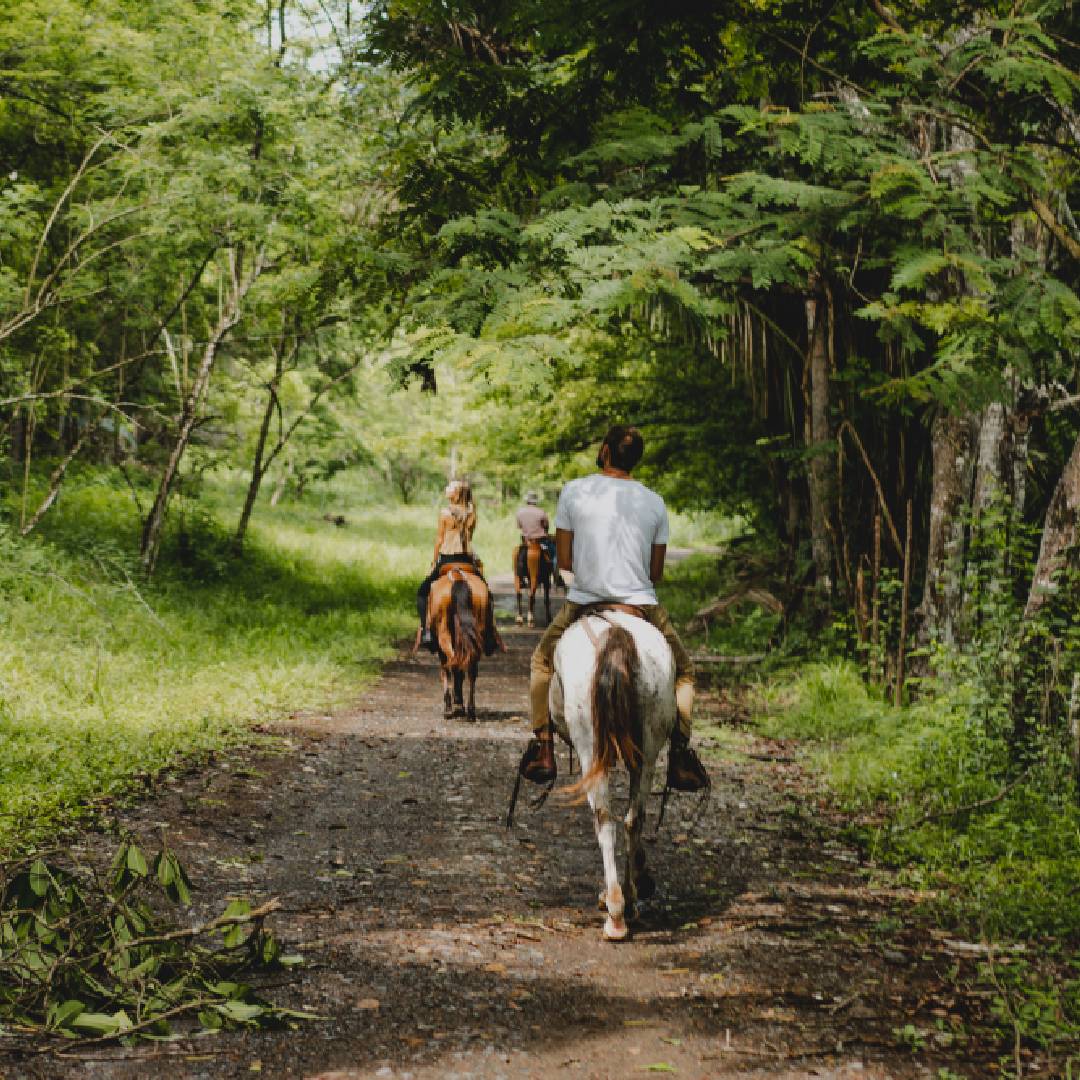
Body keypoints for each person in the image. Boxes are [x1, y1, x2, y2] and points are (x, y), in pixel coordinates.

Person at [517, 425, 709, 792]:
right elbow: (655, 572)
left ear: (605, 452)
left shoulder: (575, 491)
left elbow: (567, 561)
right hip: (642, 606)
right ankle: (681, 754)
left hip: (585, 602)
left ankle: (543, 748)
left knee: (541, 662)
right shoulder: (654, 501)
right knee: (684, 671)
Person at [415, 480, 500, 655]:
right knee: (487, 594)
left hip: (447, 559)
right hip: (467, 560)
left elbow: (439, 539)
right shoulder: (472, 513)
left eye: (450, 488)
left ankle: (427, 631)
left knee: (422, 592)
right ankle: (490, 634)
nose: (446, 489)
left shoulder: (445, 513)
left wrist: (433, 563)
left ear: (457, 494)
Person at [515, 492, 554, 584]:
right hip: (540, 541)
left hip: (526, 541)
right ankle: (556, 574)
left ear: (527, 501)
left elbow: (520, 526)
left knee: (519, 557)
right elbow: (546, 526)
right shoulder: (541, 512)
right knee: (552, 553)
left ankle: (520, 576)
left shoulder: (520, 512)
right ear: (535, 502)